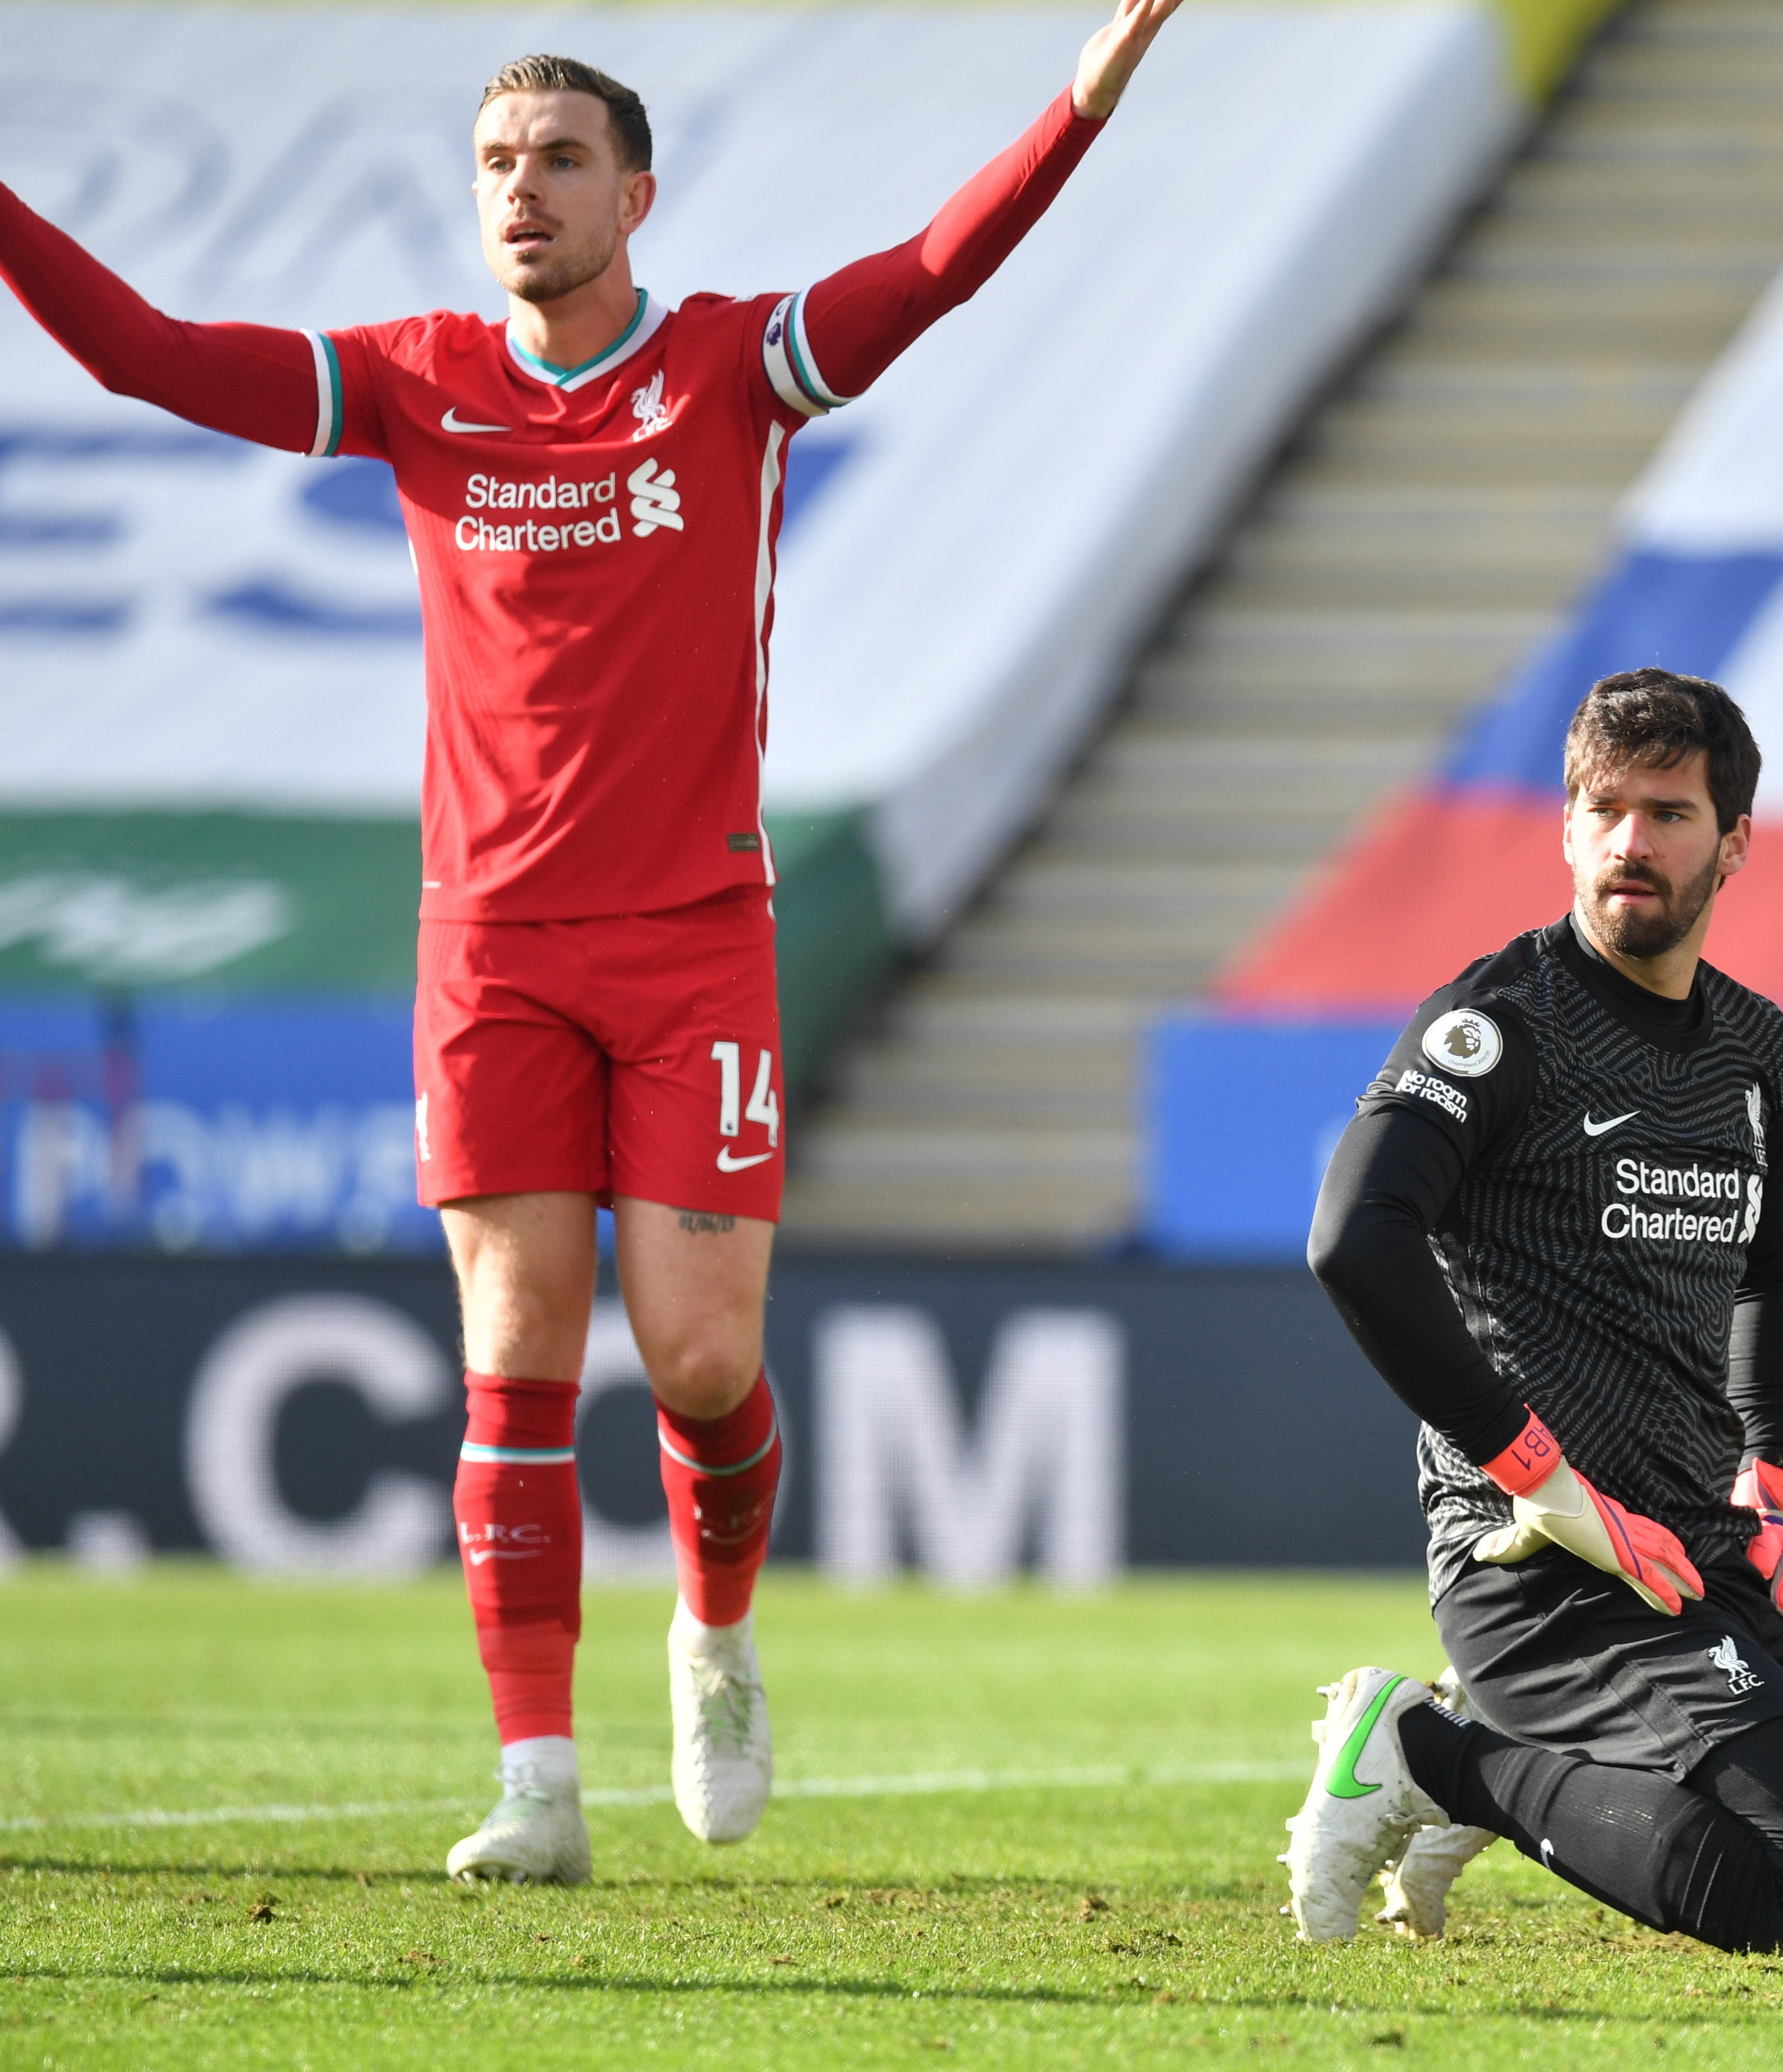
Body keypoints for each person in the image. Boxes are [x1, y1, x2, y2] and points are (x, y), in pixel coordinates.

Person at [0, 0, 1184, 1883]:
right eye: (495, 164)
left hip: (694, 934)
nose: (524, 189)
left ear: (637, 190)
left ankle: (712, 1636)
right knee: (517, 1345)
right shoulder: (414, 379)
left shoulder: (727, 368)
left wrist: (1083, 96)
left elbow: (933, 274)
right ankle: (538, 1780)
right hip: (490, 944)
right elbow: (148, 355)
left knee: (701, 1358)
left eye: (559, 159)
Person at [1289, 669, 1783, 1953]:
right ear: (1567, 826)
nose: (1633, 841)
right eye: (1605, 807)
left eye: (1671, 812)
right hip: (1543, 1567)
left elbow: (1775, 1266)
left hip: (1704, 1556)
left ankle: (1521, 1752)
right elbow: (1356, 1236)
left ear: (1734, 841)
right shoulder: (1497, 1025)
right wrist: (1531, 1468)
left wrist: (1776, 1480)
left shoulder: (1752, 1046)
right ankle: (1429, 1751)